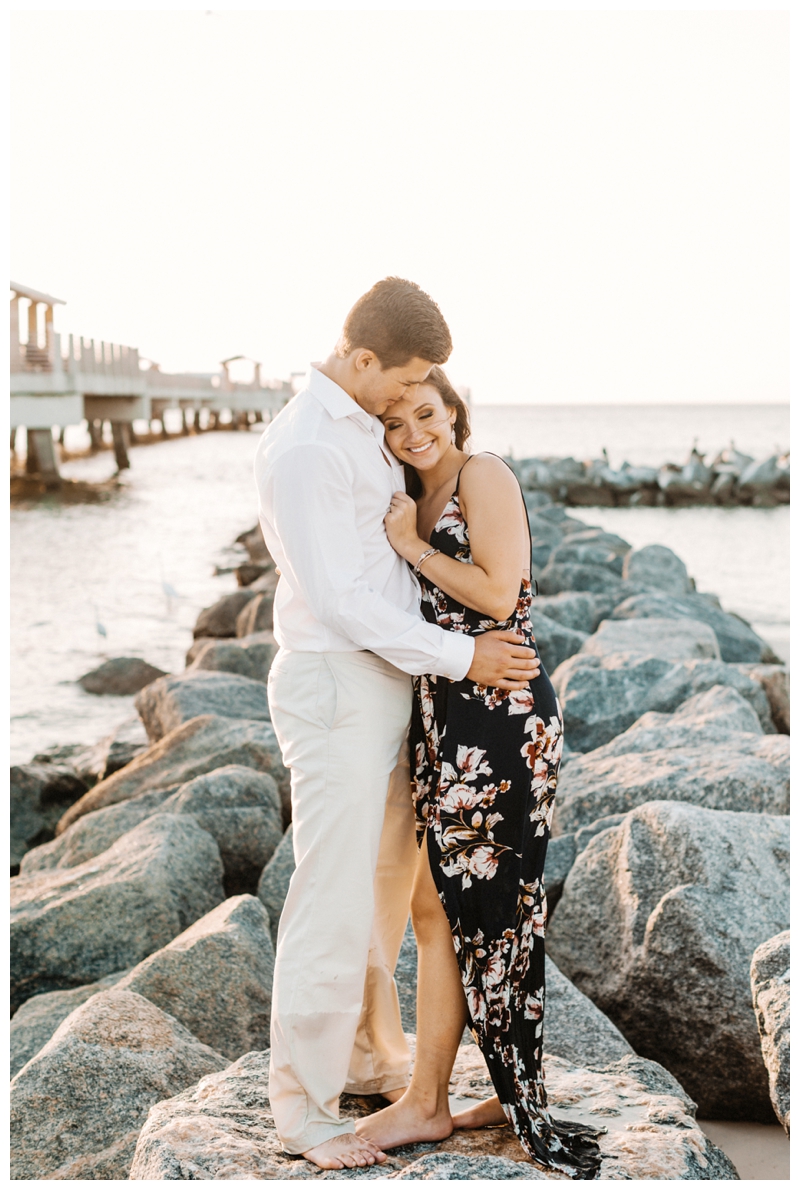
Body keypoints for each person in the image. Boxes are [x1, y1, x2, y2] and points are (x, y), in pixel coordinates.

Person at [254, 278, 541, 1171]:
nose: (407, 401)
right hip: (341, 684)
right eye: (406, 378)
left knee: (385, 895)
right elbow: (339, 600)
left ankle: (374, 1058)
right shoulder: (309, 445)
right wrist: (463, 659)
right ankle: (302, 1110)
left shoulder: (353, 429)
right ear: (364, 356)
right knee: (331, 898)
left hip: (388, 688)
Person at [354, 366, 603, 1178]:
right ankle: (502, 1082)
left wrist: (411, 548)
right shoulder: (406, 494)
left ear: (454, 412)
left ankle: (438, 1100)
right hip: (445, 718)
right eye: (394, 421)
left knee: (484, 912)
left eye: (423, 413)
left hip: (499, 719)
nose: (411, 432)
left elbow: (500, 596)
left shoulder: (481, 476)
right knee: (450, 910)